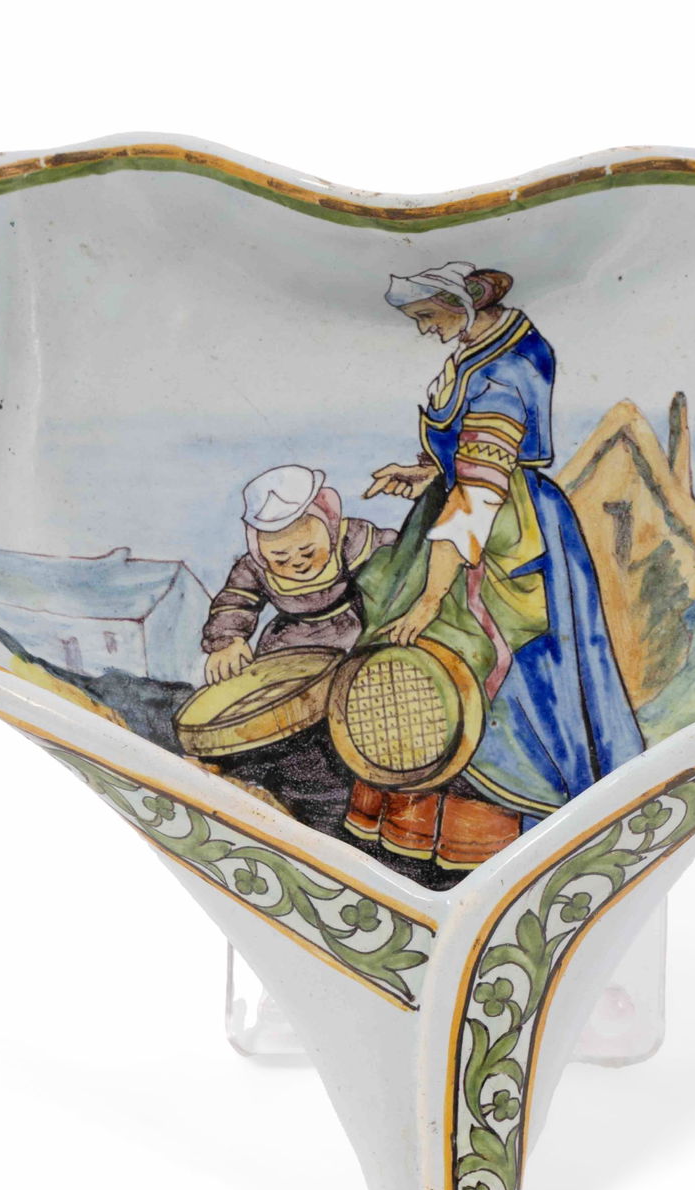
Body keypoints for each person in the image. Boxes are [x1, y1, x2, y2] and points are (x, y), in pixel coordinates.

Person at [347, 263, 643, 871]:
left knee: (480, 674)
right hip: (469, 512)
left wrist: (431, 598)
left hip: (499, 536)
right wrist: (425, 471)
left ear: (460, 304)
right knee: (424, 672)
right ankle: (420, 829)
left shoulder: (503, 374)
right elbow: (471, 464)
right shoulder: (485, 347)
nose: (425, 330)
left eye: (428, 316)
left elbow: (480, 492)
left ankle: (495, 840)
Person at [201, 465, 396, 682]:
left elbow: (401, 554)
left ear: (330, 527)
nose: (298, 562)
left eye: (308, 552)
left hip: (354, 633)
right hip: (289, 644)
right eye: (281, 559)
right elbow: (235, 601)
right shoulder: (253, 568)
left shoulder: (353, 539)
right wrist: (228, 640)